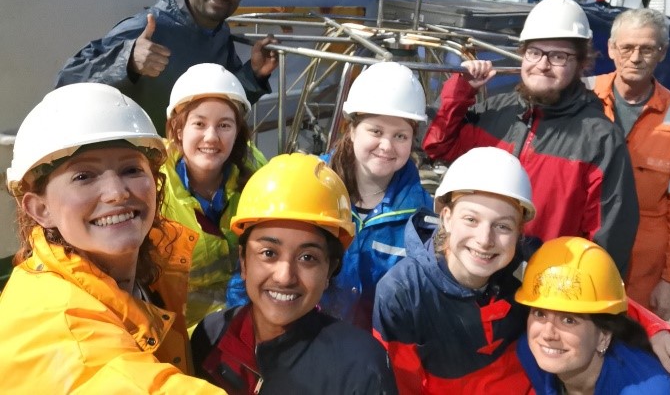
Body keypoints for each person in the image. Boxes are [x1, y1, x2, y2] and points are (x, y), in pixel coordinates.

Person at [373, 147, 670, 395]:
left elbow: (593, 291)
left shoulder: (527, 263)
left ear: (520, 232)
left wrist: (653, 329)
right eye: (471, 219)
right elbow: (403, 384)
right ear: (445, 217)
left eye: (502, 226)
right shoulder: (403, 293)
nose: (485, 240)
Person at [0, 83, 223, 392]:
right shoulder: (62, 328)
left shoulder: (150, 268)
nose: (117, 193)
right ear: (40, 209)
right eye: (84, 176)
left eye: (131, 169)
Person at [422, 0, 639, 274]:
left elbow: (607, 240)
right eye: (535, 52)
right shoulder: (493, 112)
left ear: (580, 63)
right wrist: (462, 90)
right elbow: (438, 147)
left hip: (544, 290)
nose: (543, 64)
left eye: (558, 56)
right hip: (478, 275)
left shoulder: (600, 140)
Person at [190, 153, 398, 394]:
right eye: (268, 253)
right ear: (244, 261)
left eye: (307, 258)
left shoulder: (359, 366)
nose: (284, 276)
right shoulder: (211, 335)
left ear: (329, 269)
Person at [55, 0, 278, 134]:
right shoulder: (147, 27)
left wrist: (255, 74)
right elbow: (68, 81)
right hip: (138, 167)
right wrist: (128, 61)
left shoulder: (219, 35)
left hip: (184, 169)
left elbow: (223, 105)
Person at [586, 8, 670, 320]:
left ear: (662, 53)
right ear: (611, 49)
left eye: (647, 48)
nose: (636, 57)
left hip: (642, 271)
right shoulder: (582, 96)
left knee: (630, 348)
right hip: (578, 249)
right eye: (627, 47)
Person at [515, 236, 670, 395]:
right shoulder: (532, 352)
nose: (548, 333)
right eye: (540, 314)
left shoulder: (650, 389)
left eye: (569, 320)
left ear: (603, 336)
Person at [319, 61, 433, 328]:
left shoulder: (421, 218)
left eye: (400, 136)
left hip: (378, 352)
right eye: (376, 131)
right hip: (307, 340)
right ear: (352, 130)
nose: (386, 146)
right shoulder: (311, 188)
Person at [162, 63, 267, 329]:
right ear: (177, 130)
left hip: (245, 320)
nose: (211, 137)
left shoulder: (255, 169)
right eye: (199, 123)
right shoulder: (153, 184)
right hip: (178, 333)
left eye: (224, 125)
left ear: (238, 131)